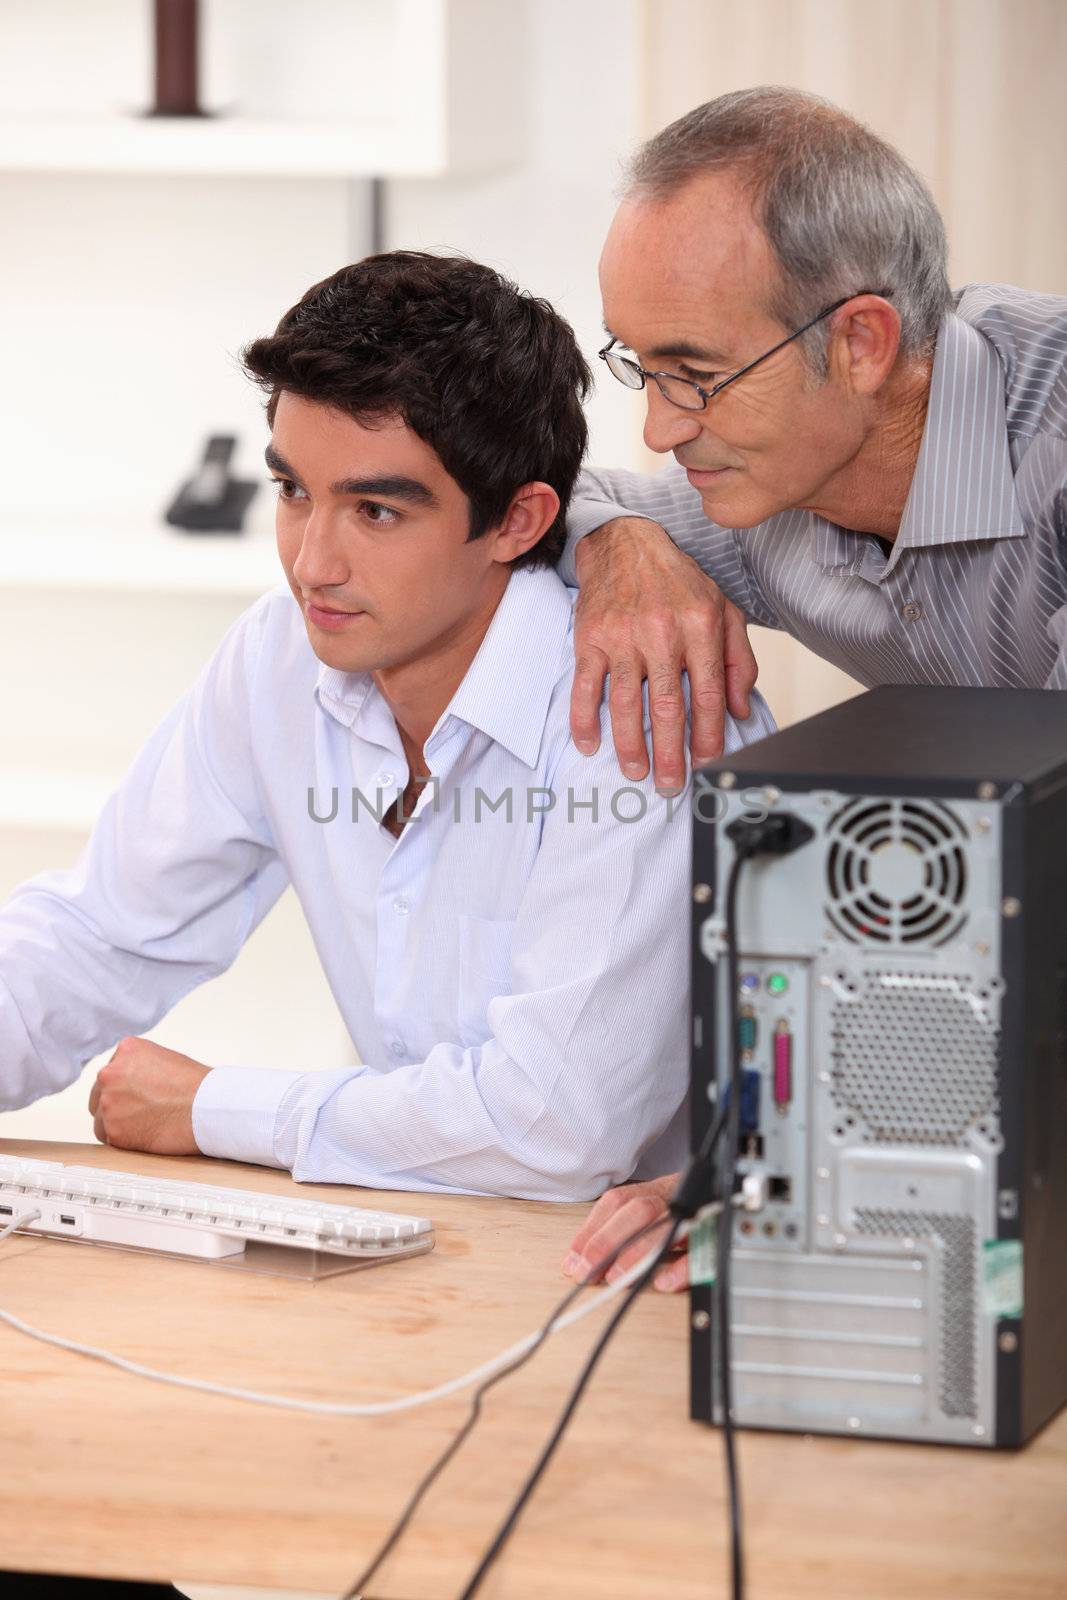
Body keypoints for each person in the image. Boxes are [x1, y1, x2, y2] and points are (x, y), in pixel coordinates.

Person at [0, 250, 774, 1206]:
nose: (311, 563)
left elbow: (553, 1128)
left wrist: (208, 1108)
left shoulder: (636, 697)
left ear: (519, 521)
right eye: (292, 492)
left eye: (374, 510)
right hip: (419, 1246)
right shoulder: (280, 656)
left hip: (648, 1281)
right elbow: (97, 936)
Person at [562, 85, 1067, 1288]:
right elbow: (564, 489)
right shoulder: (765, 479)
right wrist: (614, 545)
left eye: (692, 372)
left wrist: (798, 1160)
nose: (658, 429)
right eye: (638, 364)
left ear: (862, 342)